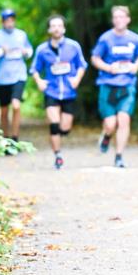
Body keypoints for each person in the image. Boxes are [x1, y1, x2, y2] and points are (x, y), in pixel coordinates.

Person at [30, 15, 88, 170]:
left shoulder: (73, 46)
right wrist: (39, 81)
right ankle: (58, 156)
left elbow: (82, 65)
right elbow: (34, 69)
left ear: (64, 29)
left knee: (65, 128)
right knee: (54, 124)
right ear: (49, 30)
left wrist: (77, 79)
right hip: (52, 91)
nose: (56, 29)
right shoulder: (42, 49)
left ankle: (59, 136)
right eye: (53, 26)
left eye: (59, 26)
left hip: (69, 92)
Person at [90, 5, 138, 168]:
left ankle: (119, 156)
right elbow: (95, 58)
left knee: (124, 120)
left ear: (128, 19)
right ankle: (107, 135)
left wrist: (136, 66)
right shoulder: (106, 38)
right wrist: (108, 68)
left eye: (122, 17)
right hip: (108, 85)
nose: (119, 20)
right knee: (110, 124)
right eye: (116, 17)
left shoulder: (135, 39)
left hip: (127, 85)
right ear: (113, 20)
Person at [0, 8, 33, 145]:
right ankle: (6, 139)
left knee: (16, 105)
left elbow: (30, 51)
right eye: (7, 21)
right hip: (3, 79)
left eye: (12, 20)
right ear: (2, 22)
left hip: (19, 75)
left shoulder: (21, 35)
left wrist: (26, 52)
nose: (10, 23)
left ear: (14, 21)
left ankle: (15, 139)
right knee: (4, 110)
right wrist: (0, 51)